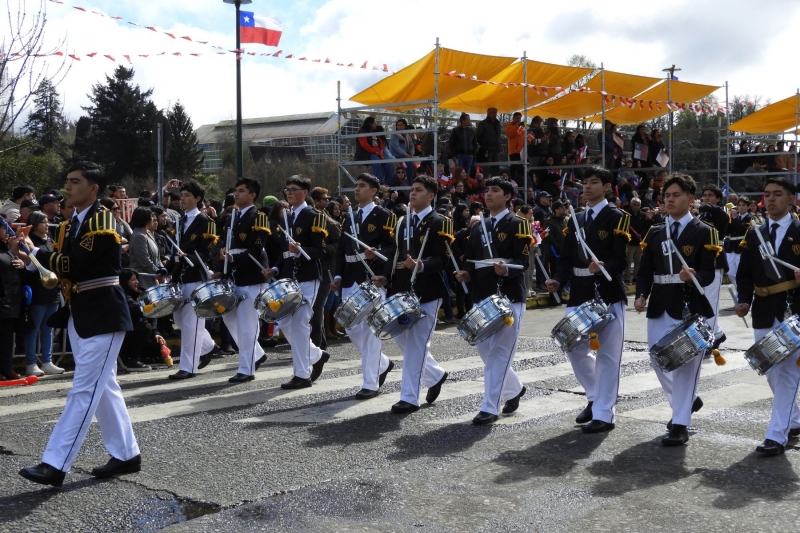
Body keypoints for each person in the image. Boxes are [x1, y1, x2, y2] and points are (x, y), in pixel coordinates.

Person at [17, 161, 140, 487]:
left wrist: (38, 252)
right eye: (67, 182)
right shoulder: (73, 224)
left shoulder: (101, 220)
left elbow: (74, 264)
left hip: (103, 312)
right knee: (104, 389)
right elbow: (64, 269)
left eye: (74, 182)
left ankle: (55, 464)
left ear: (93, 188)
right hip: (82, 309)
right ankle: (127, 455)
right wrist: (36, 254)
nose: (67, 188)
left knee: (84, 390)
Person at [634, 173, 719, 446]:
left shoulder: (705, 231)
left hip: (689, 305)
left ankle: (680, 423)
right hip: (660, 302)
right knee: (658, 360)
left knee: (686, 368)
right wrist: (640, 294)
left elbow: (709, 273)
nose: (669, 200)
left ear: (690, 200)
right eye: (667, 196)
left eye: (676, 195)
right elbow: (645, 271)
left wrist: (694, 276)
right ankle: (689, 402)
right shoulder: (656, 231)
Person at [547, 166, 631, 433]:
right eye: (585, 183)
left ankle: (605, 414)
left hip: (607, 291)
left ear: (607, 187)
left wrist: (604, 266)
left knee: (608, 355)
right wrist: (558, 279)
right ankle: (595, 397)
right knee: (573, 346)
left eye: (594, 183)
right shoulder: (576, 218)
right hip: (580, 292)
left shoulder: (618, 217)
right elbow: (566, 258)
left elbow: (622, 258)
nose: (587, 187)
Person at [372, 175, 451, 414]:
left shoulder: (440, 222)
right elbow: (396, 254)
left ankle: (409, 397)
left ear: (430, 196)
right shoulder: (402, 222)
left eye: (419, 190)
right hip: (402, 289)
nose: (413, 193)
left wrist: (420, 264)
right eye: (412, 189)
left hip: (428, 291)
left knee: (417, 346)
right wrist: (386, 276)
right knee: (400, 338)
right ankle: (435, 375)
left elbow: (442, 260)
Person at [454, 177, 530, 425]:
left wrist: (506, 269)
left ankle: (489, 407)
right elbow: (472, 258)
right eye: (487, 190)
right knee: (485, 351)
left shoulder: (519, 224)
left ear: (508, 196)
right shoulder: (478, 226)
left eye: (495, 191)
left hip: (509, 297)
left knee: (499, 354)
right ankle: (515, 388)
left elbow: (523, 262)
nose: (488, 194)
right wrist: (466, 271)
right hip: (481, 296)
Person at [735, 177, 800, 455]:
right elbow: (745, 273)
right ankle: (794, 419)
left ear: (791, 200)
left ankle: (776, 435)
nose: (771, 199)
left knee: (787, 373)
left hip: (793, 309)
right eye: (767, 194)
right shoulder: (754, 234)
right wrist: (743, 301)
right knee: (771, 370)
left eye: (777, 194)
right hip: (763, 309)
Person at [331, 173, 397, 399]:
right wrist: (338, 275)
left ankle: (370, 383)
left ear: (373, 191)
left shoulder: (384, 215)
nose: (357, 190)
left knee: (370, 332)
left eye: (362, 186)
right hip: (350, 277)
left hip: (371, 278)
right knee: (350, 326)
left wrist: (376, 256)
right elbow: (342, 250)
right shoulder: (350, 215)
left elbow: (392, 247)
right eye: (356, 186)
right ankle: (383, 363)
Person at [263, 175, 330, 389]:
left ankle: (301, 375)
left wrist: (300, 251)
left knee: (300, 324)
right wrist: (274, 267)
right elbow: (284, 253)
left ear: (305, 193)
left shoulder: (315, 216)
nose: (289, 193)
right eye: (287, 189)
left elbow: (320, 251)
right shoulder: (286, 218)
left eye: (293, 189)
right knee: (284, 322)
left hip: (309, 277)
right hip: (288, 278)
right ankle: (316, 355)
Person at [217, 178, 271, 383]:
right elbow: (226, 247)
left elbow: (256, 250)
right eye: (236, 191)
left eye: (241, 191)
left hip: (252, 276)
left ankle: (246, 368)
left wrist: (233, 258)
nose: (236, 194)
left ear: (252, 195)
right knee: (228, 318)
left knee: (247, 325)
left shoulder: (259, 216)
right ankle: (256, 354)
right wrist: (220, 269)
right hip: (234, 275)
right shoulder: (231, 217)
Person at [168, 180, 221, 379]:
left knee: (192, 322)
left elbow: (208, 253)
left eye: (187, 195)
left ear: (198, 199)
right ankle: (208, 346)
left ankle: (187, 367)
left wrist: (189, 258)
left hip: (196, 276)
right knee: (179, 318)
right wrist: (166, 266)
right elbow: (176, 251)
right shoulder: (180, 221)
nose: (183, 199)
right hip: (179, 276)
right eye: (182, 195)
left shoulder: (206, 222)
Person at [21, 211, 64, 376]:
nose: (47, 225)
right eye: (43, 222)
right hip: (37, 290)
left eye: (47, 222)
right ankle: (31, 363)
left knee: (48, 328)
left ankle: (47, 361)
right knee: (34, 329)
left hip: (51, 290)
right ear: (34, 224)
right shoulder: (29, 241)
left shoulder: (50, 241)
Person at [697, 184, 730, 350]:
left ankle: (709, 339)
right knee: (699, 302)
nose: (706, 197)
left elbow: (720, 217)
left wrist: (699, 205)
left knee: (711, 302)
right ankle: (716, 334)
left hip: (715, 260)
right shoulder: (699, 213)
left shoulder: (721, 212)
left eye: (710, 195)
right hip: (698, 262)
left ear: (718, 198)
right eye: (704, 194)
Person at [310, 187, 340, 352]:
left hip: (326, 269)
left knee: (318, 306)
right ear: (316, 201)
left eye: (328, 198)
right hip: (312, 268)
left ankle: (319, 343)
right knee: (313, 307)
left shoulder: (328, 221)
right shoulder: (313, 217)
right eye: (325, 199)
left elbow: (339, 244)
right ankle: (318, 341)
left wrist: (325, 248)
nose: (328, 201)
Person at [0, 217, 24, 381]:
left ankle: (7, 368)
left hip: (11, 300)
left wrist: (21, 263)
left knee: (7, 338)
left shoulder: (8, 248)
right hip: (1, 299)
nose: (7, 231)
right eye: (4, 228)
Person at [354, 116, 392, 183]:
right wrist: (375, 152)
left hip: (376, 153)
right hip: (366, 154)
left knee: (387, 162)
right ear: (370, 124)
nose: (376, 124)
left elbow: (380, 143)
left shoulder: (374, 132)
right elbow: (364, 145)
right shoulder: (362, 132)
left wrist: (381, 151)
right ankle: (379, 182)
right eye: (374, 123)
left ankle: (389, 181)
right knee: (376, 161)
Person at [724, 196, 751, 291]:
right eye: (739, 205)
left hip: (741, 248)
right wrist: (729, 219)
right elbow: (727, 231)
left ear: (748, 207)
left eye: (744, 205)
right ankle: (739, 289)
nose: (741, 207)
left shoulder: (750, 218)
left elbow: (742, 230)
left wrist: (735, 219)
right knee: (730, 272)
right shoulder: (734, 217)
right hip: (731, 247)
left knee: (741, 272)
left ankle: (742, 292)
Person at [625, 198, 650, 285]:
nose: (636, 207)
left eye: (638, 205)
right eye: (635, 204)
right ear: (631, 205)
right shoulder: (626, 214)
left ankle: (636, 277)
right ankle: (627, 278)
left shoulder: (643, 215)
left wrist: (641, 234)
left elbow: (646, 227)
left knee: (638, 261)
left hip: (639, 242)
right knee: (628, 260)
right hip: (630, 242)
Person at [505, 112, 525, 185]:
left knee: (515, 168)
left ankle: (515, 183)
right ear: (513, 118)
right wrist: (516, 126)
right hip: (514, 151)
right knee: (518, 169)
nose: (518, 120)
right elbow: (509, 134)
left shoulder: (521, 127)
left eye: (519, 118)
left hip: (521, 151)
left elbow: (524, 135)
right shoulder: (509, 126)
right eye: (517, 118)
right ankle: (514, 183)